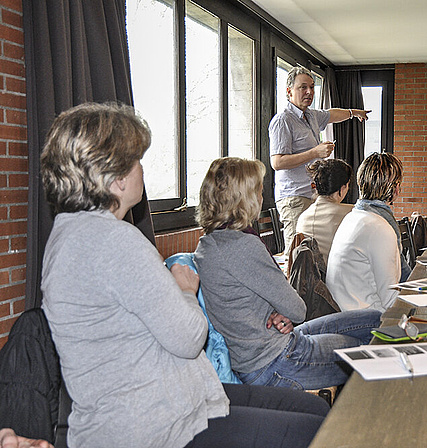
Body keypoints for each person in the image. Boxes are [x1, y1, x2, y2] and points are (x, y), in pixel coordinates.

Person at [39, 103, 329, 448]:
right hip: (154, 425)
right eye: (136, 161)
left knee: (313, 409)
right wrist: (186, 290)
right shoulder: (115, 241)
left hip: (168, 404)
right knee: (317, 429)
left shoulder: (68, 235)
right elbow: (190, 338)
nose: (141, 172)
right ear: (116, 177)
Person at [193, 157, 381, 390]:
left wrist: (274, 311)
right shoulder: (243, 245)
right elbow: (297, 309)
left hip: (272, 345)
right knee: (368, 346)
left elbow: (248, 301)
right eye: (260, 190)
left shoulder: (208, 244)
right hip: (277, 361)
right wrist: (280, 310)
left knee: (374, 320)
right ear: (245, 198)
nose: (262, 197)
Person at [269, 66, 370, 255]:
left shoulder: (312, 116)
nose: (309, 92)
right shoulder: (283, 120)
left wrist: (354, 112)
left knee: (315, 256)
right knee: (297, 256)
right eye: (303, 87)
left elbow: (332, 114)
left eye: (312, 87)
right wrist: (314, 152)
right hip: (294, 198)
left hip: (313, 196)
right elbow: (277, 163)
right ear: (289, 91)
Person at [326, 152, 406, 312]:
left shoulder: (352, 218)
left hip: (343, 313)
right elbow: (390, 301)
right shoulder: (380, 229)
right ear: (396, 189)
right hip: (365, 319)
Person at [296, 159, 353, 262]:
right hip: (339, 276)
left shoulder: (303, 217)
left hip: (310, 276)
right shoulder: (351, 214)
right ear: (343, 187)